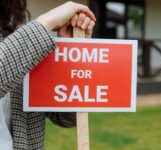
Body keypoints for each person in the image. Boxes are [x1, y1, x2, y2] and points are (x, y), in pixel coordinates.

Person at [0, 1, 96, 150]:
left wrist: (70, 53)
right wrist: (47, 21)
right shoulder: (28, 37)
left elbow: (65, 118)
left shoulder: (12, 31)